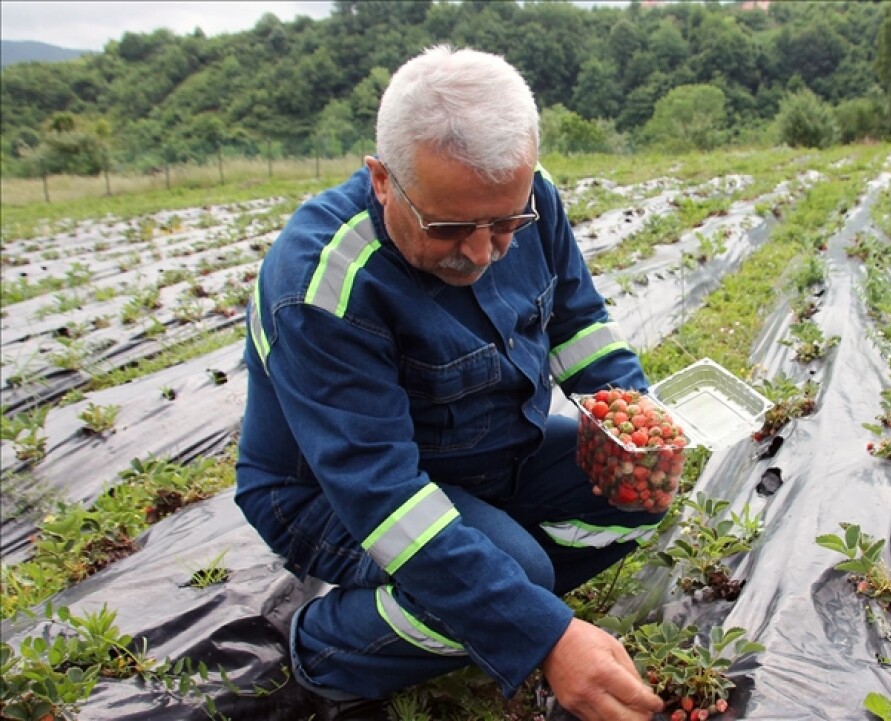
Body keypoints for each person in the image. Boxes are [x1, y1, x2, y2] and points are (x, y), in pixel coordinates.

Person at [235, 45, 666, 721]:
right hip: (331, 493)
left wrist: (637, 425)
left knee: (631, 486)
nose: (481, 251)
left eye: (503, 225)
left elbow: (581, 325)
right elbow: (381, 494)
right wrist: (542, 630)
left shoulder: (529, 198)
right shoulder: (325, 285)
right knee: (517, 579)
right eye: (449, 227)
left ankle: (489, 588)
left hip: (487, 447)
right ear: (383, 180)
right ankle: (328, 645)